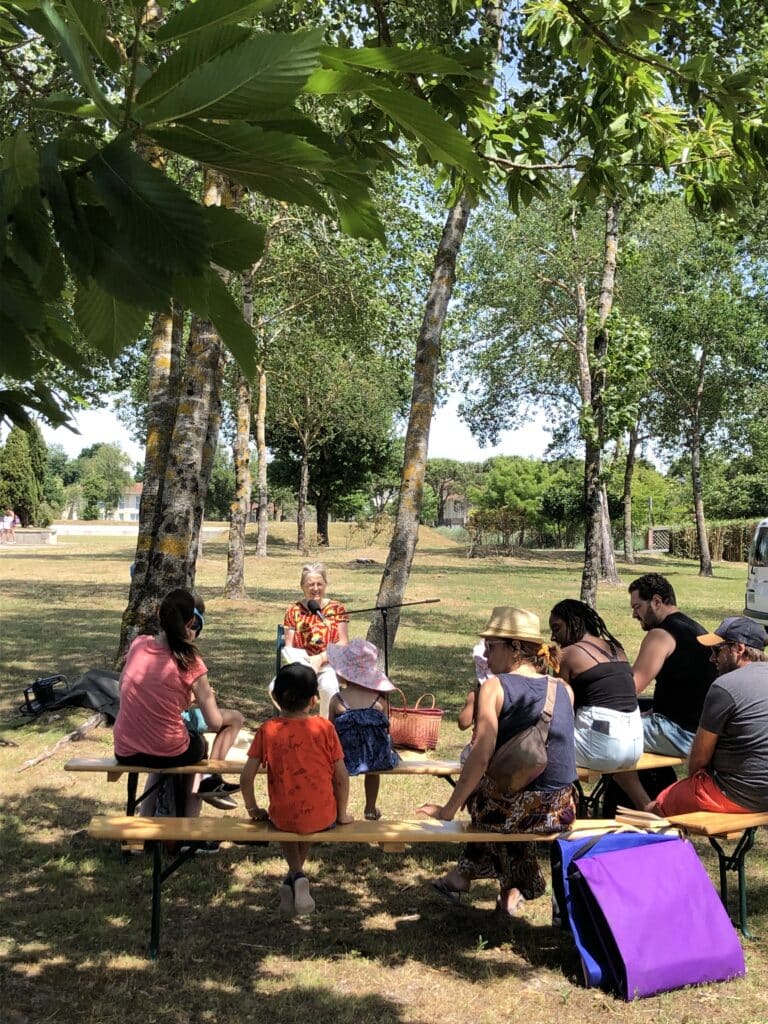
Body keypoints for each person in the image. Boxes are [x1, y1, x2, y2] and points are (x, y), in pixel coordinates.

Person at [419, 607, 576, 916]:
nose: (487, 657)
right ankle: (507, 889)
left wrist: (448, 809)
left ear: (515, 648)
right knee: (505, 804)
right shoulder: (564, 689)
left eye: (492, 647)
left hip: (517, 812)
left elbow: (480, 756)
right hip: (561, 810)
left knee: (485, 801)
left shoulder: (495, 687)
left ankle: (466, 876)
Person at [113, 589, 244, 822]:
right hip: (168, 750)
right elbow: (214, 722)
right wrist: (194, 699)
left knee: (162, 747)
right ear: (192, 623)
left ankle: (142, 825)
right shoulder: (190, 660)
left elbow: (123, 686)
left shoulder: (138, 644)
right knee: (202, 742)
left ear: (158, 614)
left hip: (125, 749)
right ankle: (203, 795)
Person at [241, 663, 352, 916]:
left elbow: (246, 776)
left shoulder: (267, 729)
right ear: (314, 700)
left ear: (276, 698)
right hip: (323, 815)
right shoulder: (325, 729)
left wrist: (252, 808)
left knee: (287, 822)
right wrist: (342, 813)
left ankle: (295, 875)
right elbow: (342, 777)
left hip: (283, 817)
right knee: (307, 818)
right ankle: (297, 876)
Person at [616, 572, 717, 809]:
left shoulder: (661, 634)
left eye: (637, 607)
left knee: (603, 735)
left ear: (657, 601)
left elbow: (630, 688)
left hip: (680, 734)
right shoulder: (695, 628)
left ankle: (647, 807)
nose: (634, 615)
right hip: (703, 733)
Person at [652, 617, 768, 816]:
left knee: (655, 808)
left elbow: (699, 760)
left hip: (734, 794)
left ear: (739, 649)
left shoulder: (725, 686)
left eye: (717, 650)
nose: (712, 658)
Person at [549, 599, 642, 771]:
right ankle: (642, 799)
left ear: (575, 623)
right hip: (635, 747)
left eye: (557, 628)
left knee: (532, 747)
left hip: (601, 751)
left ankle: (559, 798)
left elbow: (557, 707)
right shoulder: (616, 647)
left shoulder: (567, 654)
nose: (553, 637)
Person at [327, 638, 399, 822]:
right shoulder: (380, 701)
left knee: (337, 772)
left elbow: (330, 730)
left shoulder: (337, 700)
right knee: (374, 768)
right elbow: (387, 728)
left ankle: (338, 808)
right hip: (376, 758)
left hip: (344, 758)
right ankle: (370, 806)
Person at [282, 562, 350, 718]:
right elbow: (289, 646)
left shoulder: (337, 609)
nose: (315, 588)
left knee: (329, 687)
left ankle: (325, 729)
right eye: (310, 584)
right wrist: (303, 666)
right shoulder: (293, 610)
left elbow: (343, 643)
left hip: (329, 663)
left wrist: (320, 659)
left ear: (325, 584)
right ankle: (295, 725)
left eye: (319, 584)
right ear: (302, 586)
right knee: (275, 687)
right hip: (302, 665)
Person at [457, 641, 492, 764]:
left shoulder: (477, 695)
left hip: (479, 751)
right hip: (506, 753)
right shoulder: (512, 690)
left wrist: (469, 702)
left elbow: (463, 723)